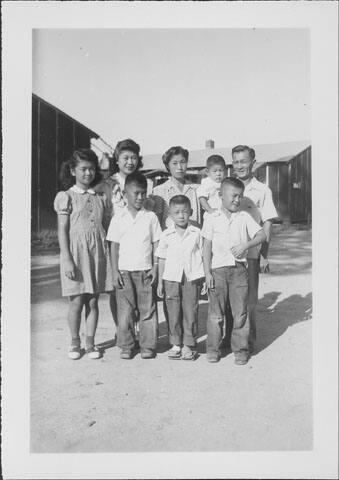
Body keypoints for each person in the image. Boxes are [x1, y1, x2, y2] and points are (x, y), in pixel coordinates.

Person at [54, 149, 114, 360]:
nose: (88, 173)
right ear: (72, 171)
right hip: (76, 256)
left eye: (91, 169)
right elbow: (62, 231)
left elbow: (106, 227)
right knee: (77, 302)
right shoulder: (66, 197)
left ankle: (90, 343)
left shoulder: (100, 197)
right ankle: (74, 342)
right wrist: (67, 259)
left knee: (93, 301)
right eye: (83, 169)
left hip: (96, 254)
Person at [202, 177, 266, 365]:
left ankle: (240, 349)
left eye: (241, 196)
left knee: (240, 313)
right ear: (221, 195)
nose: (238, 200)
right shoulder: (211, 218)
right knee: (216, 314)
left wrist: (246, 244)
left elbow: (262, 234)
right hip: (217, 272)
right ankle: (213, 349)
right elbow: (206, 247)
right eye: (234, 195)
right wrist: (207, 274)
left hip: (239, 271)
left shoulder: (244, 217)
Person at [94, 139, 154, 332]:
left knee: (139, 288)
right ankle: (123, 329)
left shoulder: (143, 182)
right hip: (115, 242)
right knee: (117, 288)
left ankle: (138, 328)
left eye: (134, 158)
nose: (130, 162)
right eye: (125, 158)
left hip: (138, 243)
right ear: (117, 160)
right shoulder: (106, 185)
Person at [107, 173, 162, 360]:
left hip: (145, 270)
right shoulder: (118, 218)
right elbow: (114, 246)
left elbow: (156, 244)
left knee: (147, 310)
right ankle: (127, 345)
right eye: (136, 193)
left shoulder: (151, 217)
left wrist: (155, 267)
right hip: (124, 272)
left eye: (143, 193)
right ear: (124, 193)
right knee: (125, 311)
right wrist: (114, 271)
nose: (140, 197)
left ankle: (147, 345)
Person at [231, 145, 278, 351]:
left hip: (251, 252)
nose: (239, 166)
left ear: (253, 162)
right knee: (229, 296)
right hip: (229, 253)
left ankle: (247, 342)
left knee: (249, 298)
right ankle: (229, 340)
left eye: (244, 161)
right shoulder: (225, 187)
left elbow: (267, 223)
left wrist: (264, 254)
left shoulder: (262, 190)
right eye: (236, 162)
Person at [156, 195, 205, 360]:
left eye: (185, 212)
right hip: (171, 278)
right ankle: (176, 342)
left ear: (191, 212)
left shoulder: (197, 232)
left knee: (190, 310)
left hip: (192, 277)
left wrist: (205, 277)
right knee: (173, 310)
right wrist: (160, 283)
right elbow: (161, 258)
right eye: (177, 212)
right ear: (170, 214)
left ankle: (189, 344)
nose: (181, 215)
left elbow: (204, 255)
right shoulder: (166, 234)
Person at [152, 146, 201, 229]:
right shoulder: (159, 191)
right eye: (174, 163)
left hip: (194, 238)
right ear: (168, 166)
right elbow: (156, 223)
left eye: (183, 162)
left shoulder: (197, 189)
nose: (179, 167)